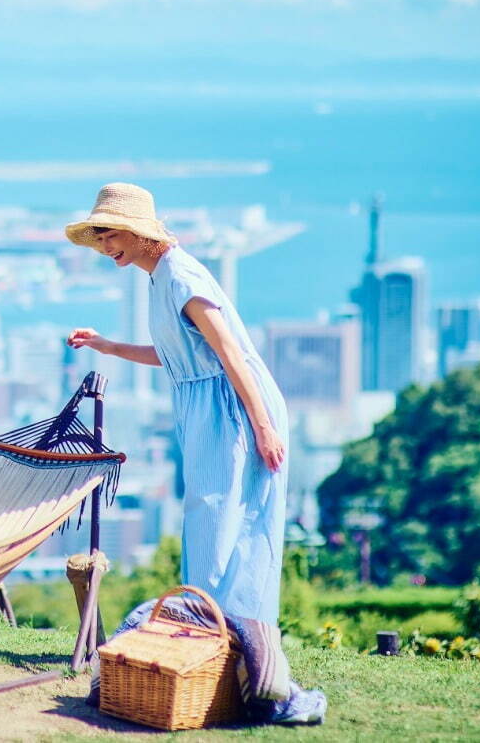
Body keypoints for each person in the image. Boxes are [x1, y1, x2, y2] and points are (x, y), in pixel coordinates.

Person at [64, 182, 326, 725]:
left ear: (140, 232)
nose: (105, 244)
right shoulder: (158, 279)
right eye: (99, 235)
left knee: (233, 532)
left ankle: (243, 669)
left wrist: (261, 426)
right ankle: (215, 658)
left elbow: (231, 353)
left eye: (111, 232)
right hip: (208, 412)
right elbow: (176, 356)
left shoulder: (180, 275)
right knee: (213, 529)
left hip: (235, 412)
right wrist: (106, 346)